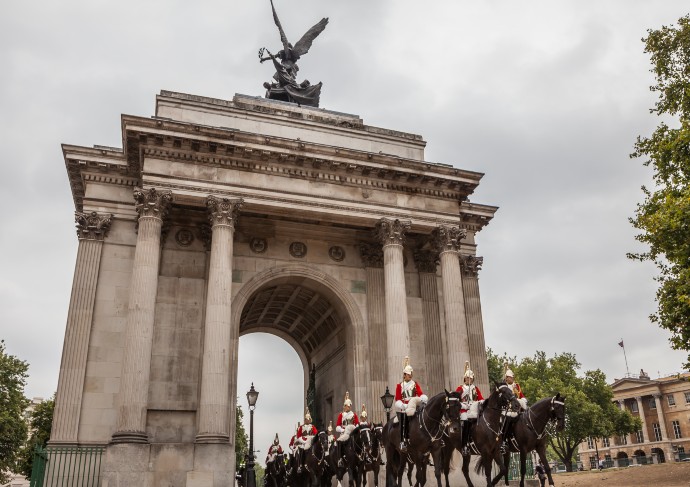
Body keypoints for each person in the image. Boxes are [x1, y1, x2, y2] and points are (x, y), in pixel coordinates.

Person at [394, 356, 428, 452]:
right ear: (404, 375)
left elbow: (420, 394)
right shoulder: (399, 386)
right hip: (404, 406)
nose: (410, 375)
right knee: (403, 419)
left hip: (414, 406)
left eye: (411, 374)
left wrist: (423, 398)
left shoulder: (415, 384)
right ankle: (402, 441)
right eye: (408, 374)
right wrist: (403, 405)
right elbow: (397, 399)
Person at [456, 361, 484, 455]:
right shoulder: (460, 388)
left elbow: (481, 399)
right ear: (464, 378)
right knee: (466, 420)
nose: (469, 380)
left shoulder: (475, 388)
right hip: (464, 409)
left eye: (470, 378)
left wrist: (479, 403)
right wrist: (464, 405)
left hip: (474, 409)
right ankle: (464, 444)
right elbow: (456, 400)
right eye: (467, 378)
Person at [502, 363, 527, 453]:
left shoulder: (516, 386)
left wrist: (522, 401)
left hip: (517, 408)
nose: (511, 379)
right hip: (507, 409)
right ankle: (504, 441)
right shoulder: (504, 387)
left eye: (512, 377)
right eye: (509, 377)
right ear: (506, 378)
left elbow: (521, 396)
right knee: (507, 419)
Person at [335, 392, 359, 467]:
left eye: (349, 406)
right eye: (346, 406)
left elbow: (357, 424)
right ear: (344, 406)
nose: (348, 407)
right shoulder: (341, 415)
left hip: (352, 432)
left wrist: (355, 429)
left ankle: (364, 457)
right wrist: (342, 430)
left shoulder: (354, 414)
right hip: (344, 433)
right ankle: (340, 459)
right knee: (338, 441)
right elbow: (337, 427)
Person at [293, 409, 318, 473]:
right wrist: (303, 441)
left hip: (310, 440)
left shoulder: (312, 427)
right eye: (306, 419)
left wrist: (312, 439)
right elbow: (298, 436)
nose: (308, 420)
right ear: (305, 420)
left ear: (310, 420)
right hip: (303, 441)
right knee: (300, 450)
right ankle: (300, 465)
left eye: (309, 419)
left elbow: (316, 434)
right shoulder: (301, 427)